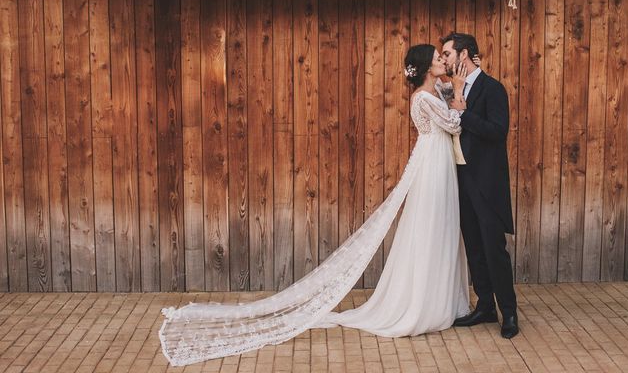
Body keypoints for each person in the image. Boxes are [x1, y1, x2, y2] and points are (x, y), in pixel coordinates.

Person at [159, 44, 471, 366]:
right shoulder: (423, 97)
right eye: (436, 57)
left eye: (441, 56)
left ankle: (439, 298)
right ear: (423, 66)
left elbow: (447, 94)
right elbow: (454, 123)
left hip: (439, 161)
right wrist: (459, 93)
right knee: (431, 225)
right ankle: (421, 303)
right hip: (433, 164)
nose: (441, 60)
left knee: (441, 226)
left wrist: (455, 80)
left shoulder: (434, 89)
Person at [440, 32, 519, 339]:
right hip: (460, 179)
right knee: (473, 246)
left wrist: (463, 113)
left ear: (464, 55)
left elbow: (498, 131)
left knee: (493, 248)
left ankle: (508, 311)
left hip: (486, 182)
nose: (444, 59)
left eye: (447, 53)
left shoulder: (492, 89)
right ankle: (485, 305)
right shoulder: (449, 90)